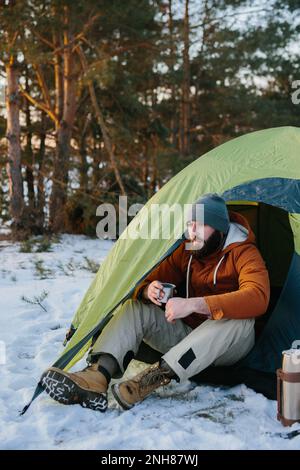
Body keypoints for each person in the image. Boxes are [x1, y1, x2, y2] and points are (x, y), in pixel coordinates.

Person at [41, 193, 270, 412]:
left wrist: (195, 304)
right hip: (188, 338)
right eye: (190, 224)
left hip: (230, 346)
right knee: (135, 307)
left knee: (238, 319)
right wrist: (148, 290)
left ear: (219, 228)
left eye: (200, 225)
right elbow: (147, 280)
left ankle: (149, 380)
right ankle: (96, 376)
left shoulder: (244, 252)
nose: (192, 232)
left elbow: (258, 296)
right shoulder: (187, 250)